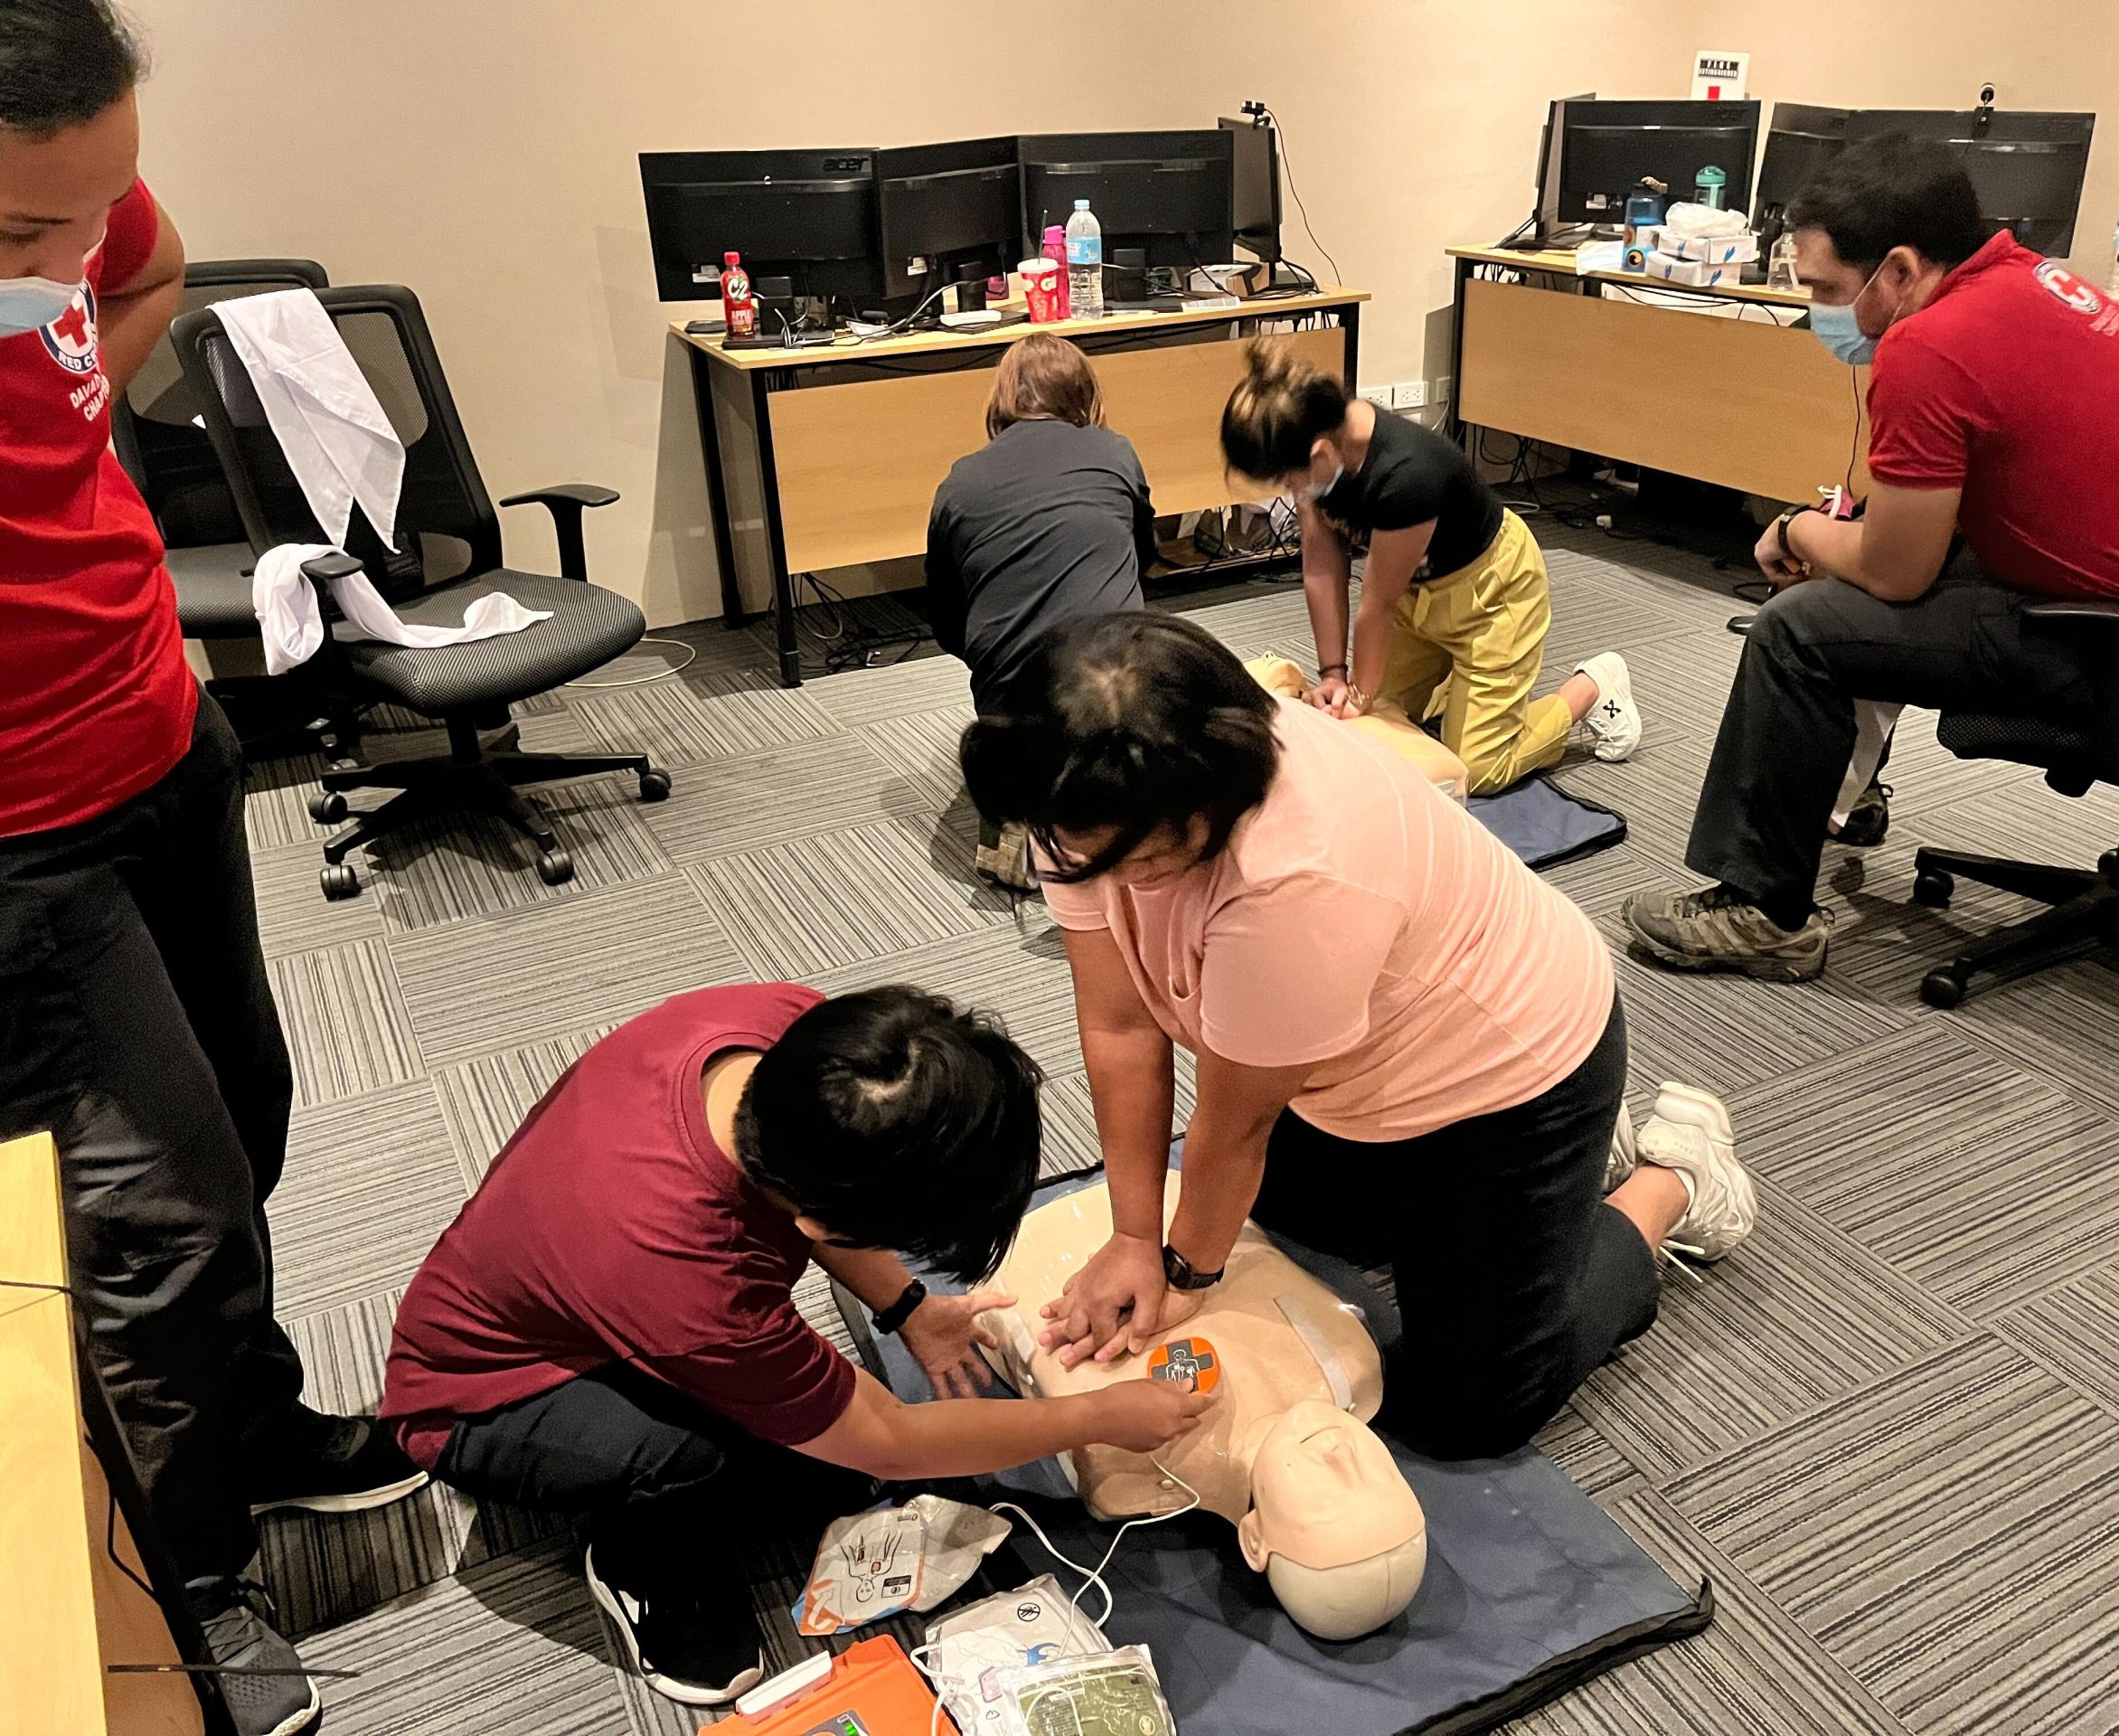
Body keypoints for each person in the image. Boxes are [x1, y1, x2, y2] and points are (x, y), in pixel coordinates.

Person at [0, 9, 421, 1733]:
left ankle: (254, 1428)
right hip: (20, 850)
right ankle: (179, 1582)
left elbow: (144, 271)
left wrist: (79, 410)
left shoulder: (77, 190)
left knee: (243, 1115)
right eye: (23, 236)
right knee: (149, 1229)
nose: (62, 260)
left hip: (164, 736)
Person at [960, 611, 1759, 1464]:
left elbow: (1236, 1127)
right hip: (1354, 1065)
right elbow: (1120, 1026)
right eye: (1087, 858)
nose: (1115, 884)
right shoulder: (1080, 791)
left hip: (1515, 1069)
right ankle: (1555, 1189)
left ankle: (1675, 1176)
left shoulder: (1294, 874)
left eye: (1145, 865)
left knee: (1466, 1407)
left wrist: (1183, 1272)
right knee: (1292, 1224)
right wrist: (1132, 1236)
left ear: (1215, 800)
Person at [381, 984, 1208, 1708]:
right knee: (712, 1459)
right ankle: (636, 1559)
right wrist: (1100, 1415)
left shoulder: (789, 1035)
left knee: (828, 1482)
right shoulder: (697, 1284)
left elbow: (813, 1204)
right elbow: (895, 1437)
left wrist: (911, 1304)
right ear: (814, 1220)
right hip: (474, 1398)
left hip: (580, 1294)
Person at [1625, 137, 2119, 983]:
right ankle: (1842, 802)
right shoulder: (2030, 280)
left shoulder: (1929, 345)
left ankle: (1765, 917)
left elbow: (1897, 572)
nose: (1818, 310)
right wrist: (1848, 536)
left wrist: (1793, 533)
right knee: (1856, 580)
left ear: (1897, 269)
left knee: (1801, 628)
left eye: (1825, 290)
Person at [1219, 339, 1641, 796]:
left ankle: (1592, 689)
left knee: (1476, 768)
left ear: (1319, 455)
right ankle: (1459, 690)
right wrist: (1333, 673)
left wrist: (1358, 694)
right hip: (1415, 597)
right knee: (1378, 729)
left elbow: (1375, 606)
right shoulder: (1315, 439)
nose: (1287, 488)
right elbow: (1322, 565)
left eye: (1285, 478)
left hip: (1494, 596)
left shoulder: (1407, 474)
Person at [924, 332, 1154, 889]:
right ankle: (1112, 794)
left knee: (1023, 719)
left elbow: (944, 615)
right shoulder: (1114, 451)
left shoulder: (961, 480)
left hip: (1010, 686)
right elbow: (1142, 558)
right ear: (1084, 394)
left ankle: (1019, 800)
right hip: (1110, 672)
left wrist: (993, 661)